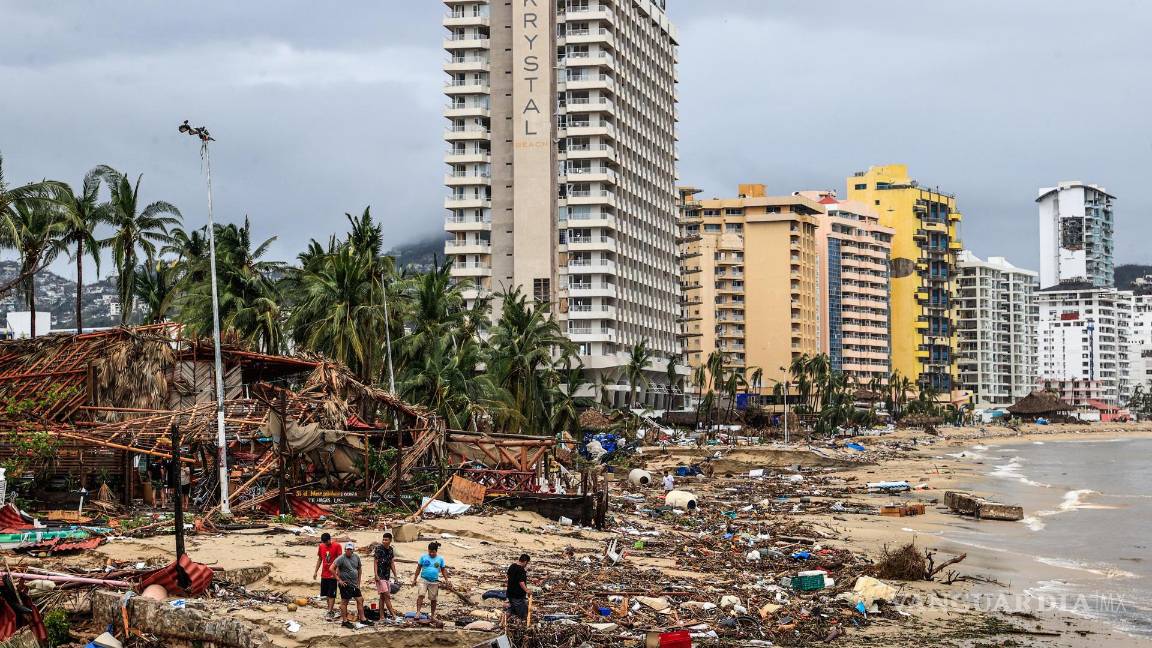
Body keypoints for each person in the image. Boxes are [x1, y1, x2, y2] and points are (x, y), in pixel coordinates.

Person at [332, 542, 373, 628]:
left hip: (354, 584)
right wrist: (339, 580)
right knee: (344, 602)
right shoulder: (341, 558)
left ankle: (363, 619)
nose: (349, 551)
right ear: (345, 550)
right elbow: (331, 568)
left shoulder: (356, 557)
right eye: (347, 549)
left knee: (360, 599)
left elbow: (359, 569)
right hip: (345, 584)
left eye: (350, 549)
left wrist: (358, 582)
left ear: (353, 550)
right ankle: (345, 620)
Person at [412, 541, 449, 620]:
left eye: (433, 552)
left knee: (433, 599)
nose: (431, 554)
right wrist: (414, 579)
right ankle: (418, 612)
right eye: (430, 552)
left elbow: (443, 570)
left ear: (436, 551)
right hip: (423, 579)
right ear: (428, 550)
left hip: (434, 581)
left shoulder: (440, 559)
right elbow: (418, 568)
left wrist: (446, 580)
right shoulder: (423, 557)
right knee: (421, 595)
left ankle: (432, 615)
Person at [312, 533, 342, 620]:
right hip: (324, 574)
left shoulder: (337, 546)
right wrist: (315, 571)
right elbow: (320, 559)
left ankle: (330, 610)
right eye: (324, 542)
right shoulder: (321, 546)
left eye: (327, 542)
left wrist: (338, 574)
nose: (326, 543)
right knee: (326, 594)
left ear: (330, 539)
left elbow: (340, 560)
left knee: (332, 594)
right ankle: (330, 610)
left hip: (333, 574)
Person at [373, 532, 399, 620]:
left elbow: (392, 562)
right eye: (383, 539)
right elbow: (375, 562)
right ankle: (393, 615)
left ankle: (381, 616)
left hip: (387, 575)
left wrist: (395, 575)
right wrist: (376, 575)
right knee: (387, 595)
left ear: (390, 540)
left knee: (382, 597)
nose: (384, 541)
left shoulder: (391, 549)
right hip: (380, 576)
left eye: (386, 540)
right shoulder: (378, 549)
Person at [506, 554, 530, 620]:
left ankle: (504, 621)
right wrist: (527, 590)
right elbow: (521, 582)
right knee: (523, 613)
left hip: (510, 593)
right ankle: (523, 623)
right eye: (527, 563)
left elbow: (508, 576)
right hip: (517, 595)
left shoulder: (512, 566)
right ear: (525, 561)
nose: (526, 565)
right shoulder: (521, 570)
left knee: (512, 609)